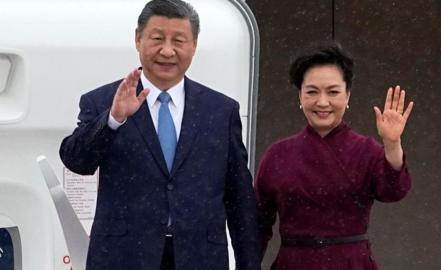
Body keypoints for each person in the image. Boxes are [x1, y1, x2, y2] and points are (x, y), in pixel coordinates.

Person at [59, 0, 260, 269]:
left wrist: (249, 264)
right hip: (124, 256)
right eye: (157, 38)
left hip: (199, 257)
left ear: (194, 45)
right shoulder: (104, 101)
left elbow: (239, 198)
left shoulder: (221, 111)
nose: (167, 50)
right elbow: (76, 161)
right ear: (138, 39)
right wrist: (113, 119)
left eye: (178, 40)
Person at [254, 43, 413, 270]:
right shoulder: (278, 155)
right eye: (312, 91)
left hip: (351, 263)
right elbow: (257, 224)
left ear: (347, 95)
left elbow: (394, 191)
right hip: (294, 262)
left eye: (333, 92)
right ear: (300, 96)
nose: (322, 102)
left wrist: (392, 143)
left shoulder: (366, 150)